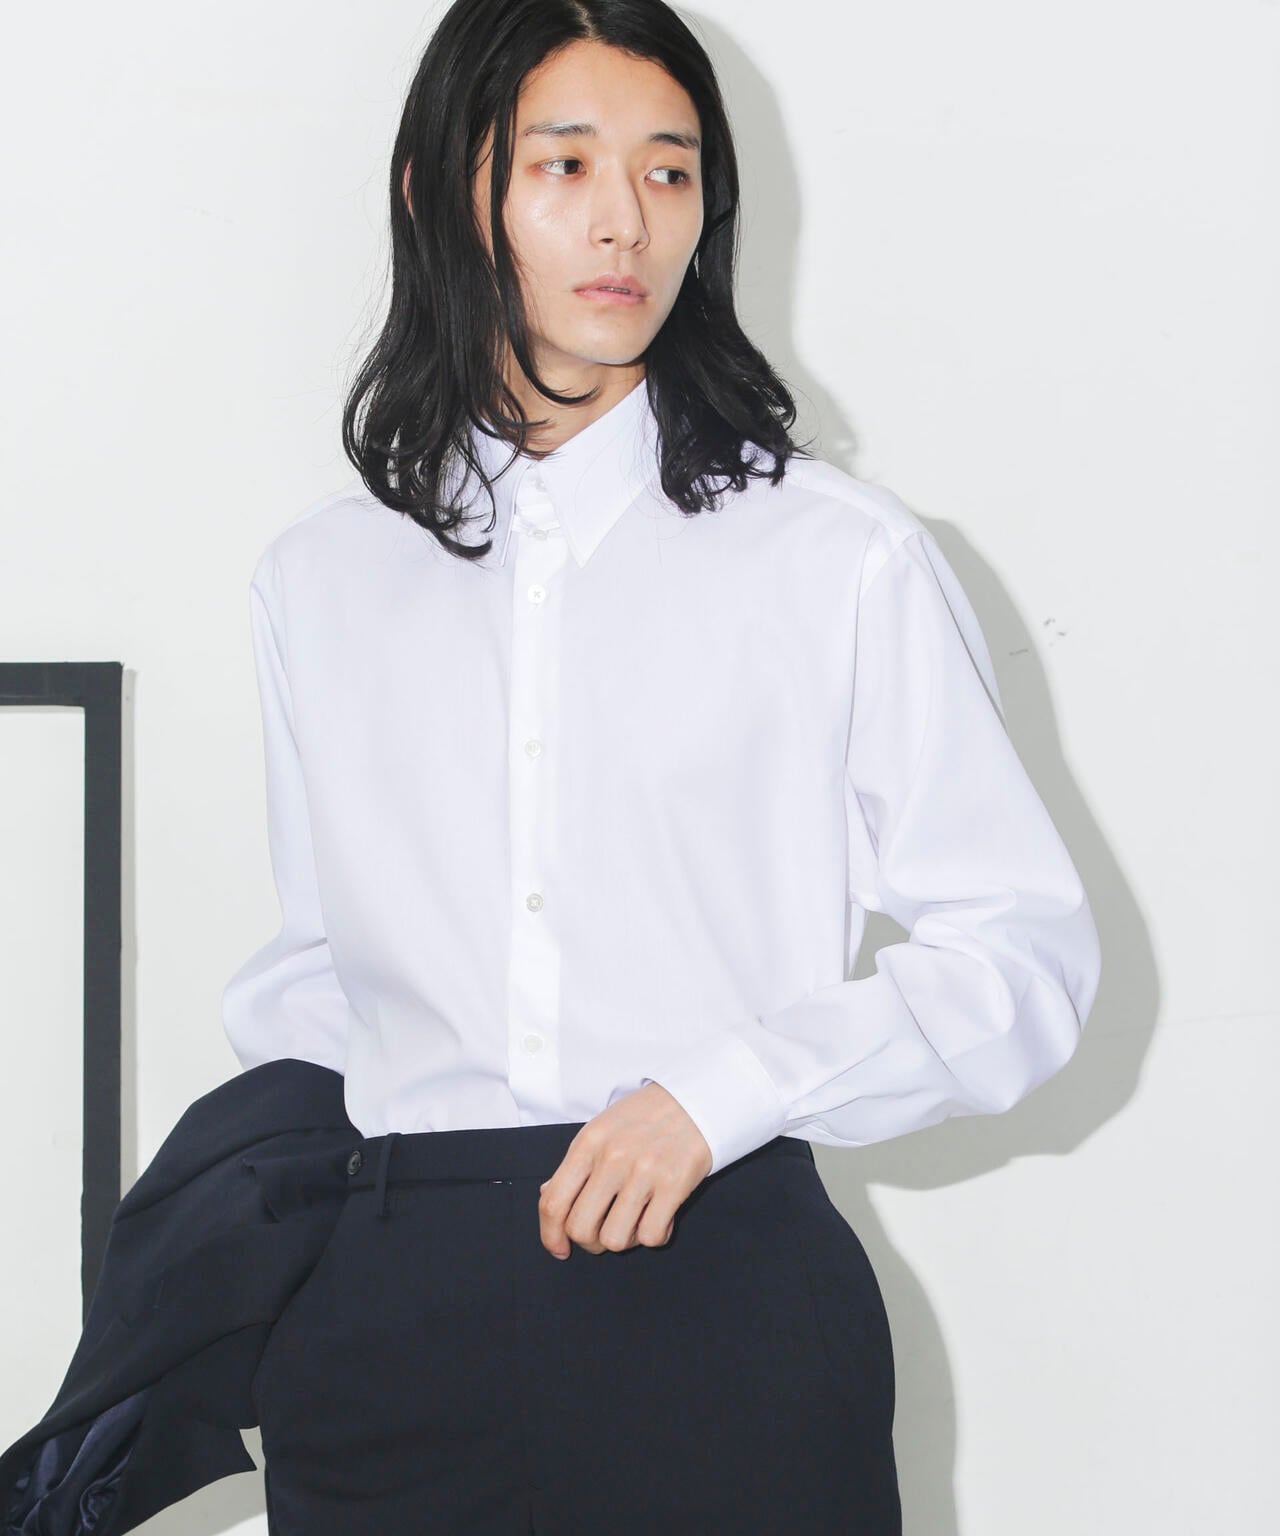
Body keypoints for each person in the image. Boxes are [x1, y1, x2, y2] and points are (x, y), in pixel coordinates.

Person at [221, 1, 1102, 1532]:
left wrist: (720, 1091)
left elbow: (1021, 957)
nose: (626, 219)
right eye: (563, 164)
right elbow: (314, 980)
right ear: (438, 193)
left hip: (722, 1303)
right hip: (386, 1331)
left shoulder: (837, 559)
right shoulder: (321, 580)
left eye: (670, 171)